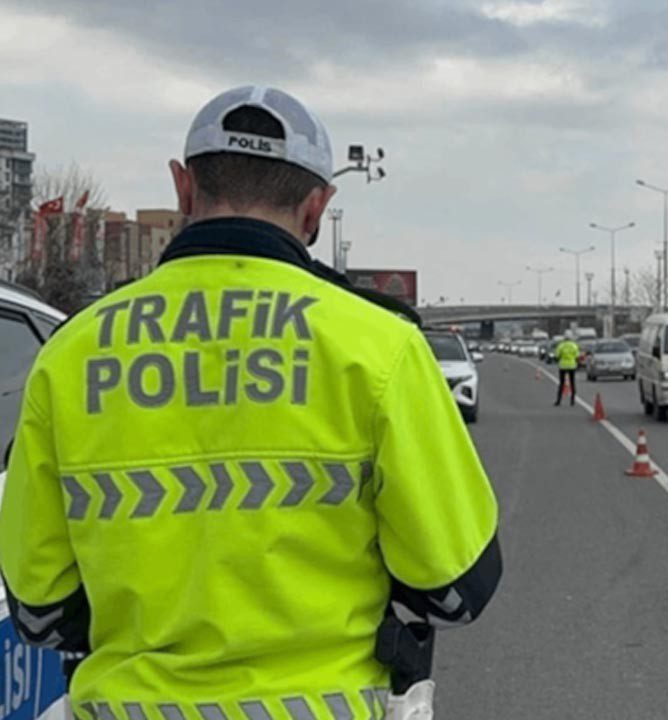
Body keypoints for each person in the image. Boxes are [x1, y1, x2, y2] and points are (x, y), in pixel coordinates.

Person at [0, 86, 501, 720]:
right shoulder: (380, 346)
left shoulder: (71, 354)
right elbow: (457, 583)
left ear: (183, 188)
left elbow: (40, 608)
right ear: (317, 207)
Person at [553, 335, 580, 406]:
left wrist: (558, 360)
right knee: (572, 383)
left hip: (563, 366)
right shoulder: (574, 345)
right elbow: (577, 356)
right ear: (570, 339)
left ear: (564, 340)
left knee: (561, 383)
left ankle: (558, 401)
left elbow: (557, 356)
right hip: (572, 365)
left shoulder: (561, 346)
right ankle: (572, 401)